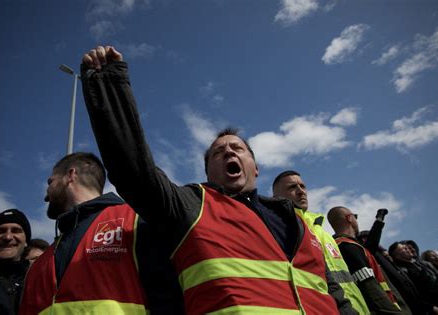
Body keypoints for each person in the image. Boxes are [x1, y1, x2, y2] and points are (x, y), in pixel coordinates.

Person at [80, 45, 357, 314]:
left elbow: (333, 294)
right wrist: (108, 85)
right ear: (208, 172)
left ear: (255, 167)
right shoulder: (190, 205)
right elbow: (133, 171)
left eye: (237, 148)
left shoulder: (296, 222)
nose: (228, 152)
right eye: (218, 153)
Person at [19, 152, 183, 315]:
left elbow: (171, 296)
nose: (46, 195)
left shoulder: (133, 219)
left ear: (71, 175)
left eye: (50, 182)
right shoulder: (40, 263)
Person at [272, 170, 369, 314]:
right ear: (276, 196)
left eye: (302, 186)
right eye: (292, 187)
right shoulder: (278, 230)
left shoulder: (323, 232)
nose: (301, 191)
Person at [328, 206, 404, 314]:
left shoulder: (346, 246)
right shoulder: (347, 246)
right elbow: (370, 287)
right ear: (349, 218)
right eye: (355, 217)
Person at [389, 242, 438, 311]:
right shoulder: (403, 274)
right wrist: (432, 308)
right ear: (397, 256)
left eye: (406, 247)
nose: (408, 249)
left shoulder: (422, 264)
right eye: (404, 248)